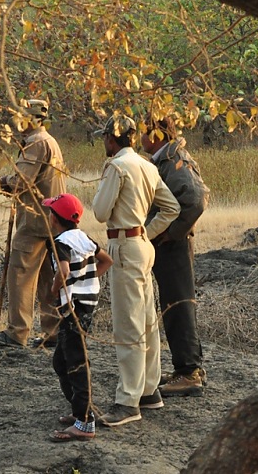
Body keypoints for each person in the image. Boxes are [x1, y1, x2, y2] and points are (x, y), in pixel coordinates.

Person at [92, 113, 181, 427]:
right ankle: (148, 390)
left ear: (112, 138)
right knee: (146, 321)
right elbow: (172, 208)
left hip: (124, 246)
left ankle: (128, 401)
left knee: (128, 324)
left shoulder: (117, 166)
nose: (103, 142)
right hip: (142, 245)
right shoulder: (147, 165)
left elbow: (101, 212)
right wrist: (147, 231)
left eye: (104, 137)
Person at [0, 99, 66, 349]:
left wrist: (1, 182)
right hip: (52, 219)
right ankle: (54, 331)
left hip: (35, 221)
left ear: (32, 119)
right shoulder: (49, 141)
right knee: (46, 278)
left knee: (20, 273)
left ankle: (17, 333)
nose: (18, 122)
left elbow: (21, 182)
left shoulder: (36, 143)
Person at [141, 116, 209, 397]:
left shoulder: (174, 159)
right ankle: (186, 368)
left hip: (174, 246)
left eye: (144, 131)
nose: (139, 137)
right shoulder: (166, 158)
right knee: (173, 305)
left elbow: (196, 199)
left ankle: (190, 373)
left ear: (155, 133)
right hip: (169, 244)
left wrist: (172, 233)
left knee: (179, 305)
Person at [42, 193, 113, 442]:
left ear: (55, 218)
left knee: (76, 363)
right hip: (85, 305)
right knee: (62, 362)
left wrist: (54, 292)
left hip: (73, 309)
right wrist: (87, 282)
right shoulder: (83, 238)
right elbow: (106, 260)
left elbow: (62, 271)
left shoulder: (60, 241)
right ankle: (79, 411)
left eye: (51, 212)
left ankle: (85, 423)